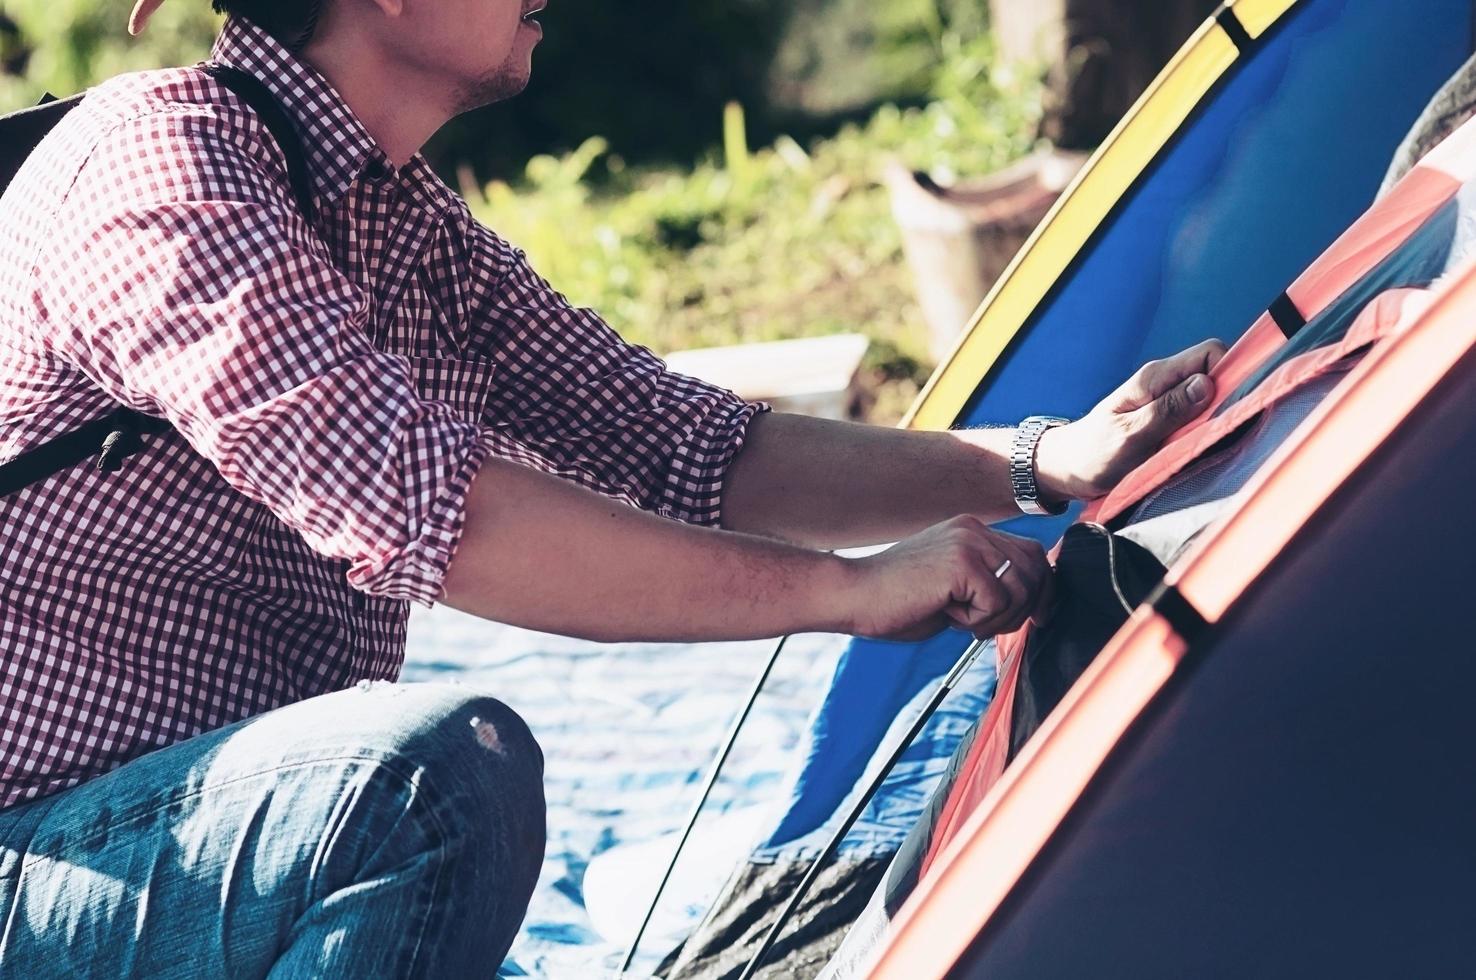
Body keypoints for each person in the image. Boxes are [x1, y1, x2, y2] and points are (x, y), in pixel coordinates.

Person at [0, 0, 1225, 974]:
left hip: (194, 841)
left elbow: (686, 441)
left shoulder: (399, 215)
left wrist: (1034, 460)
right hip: (40, 865)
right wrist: (848, 591)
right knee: (427, 788)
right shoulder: (163, 168)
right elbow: (446, 516)